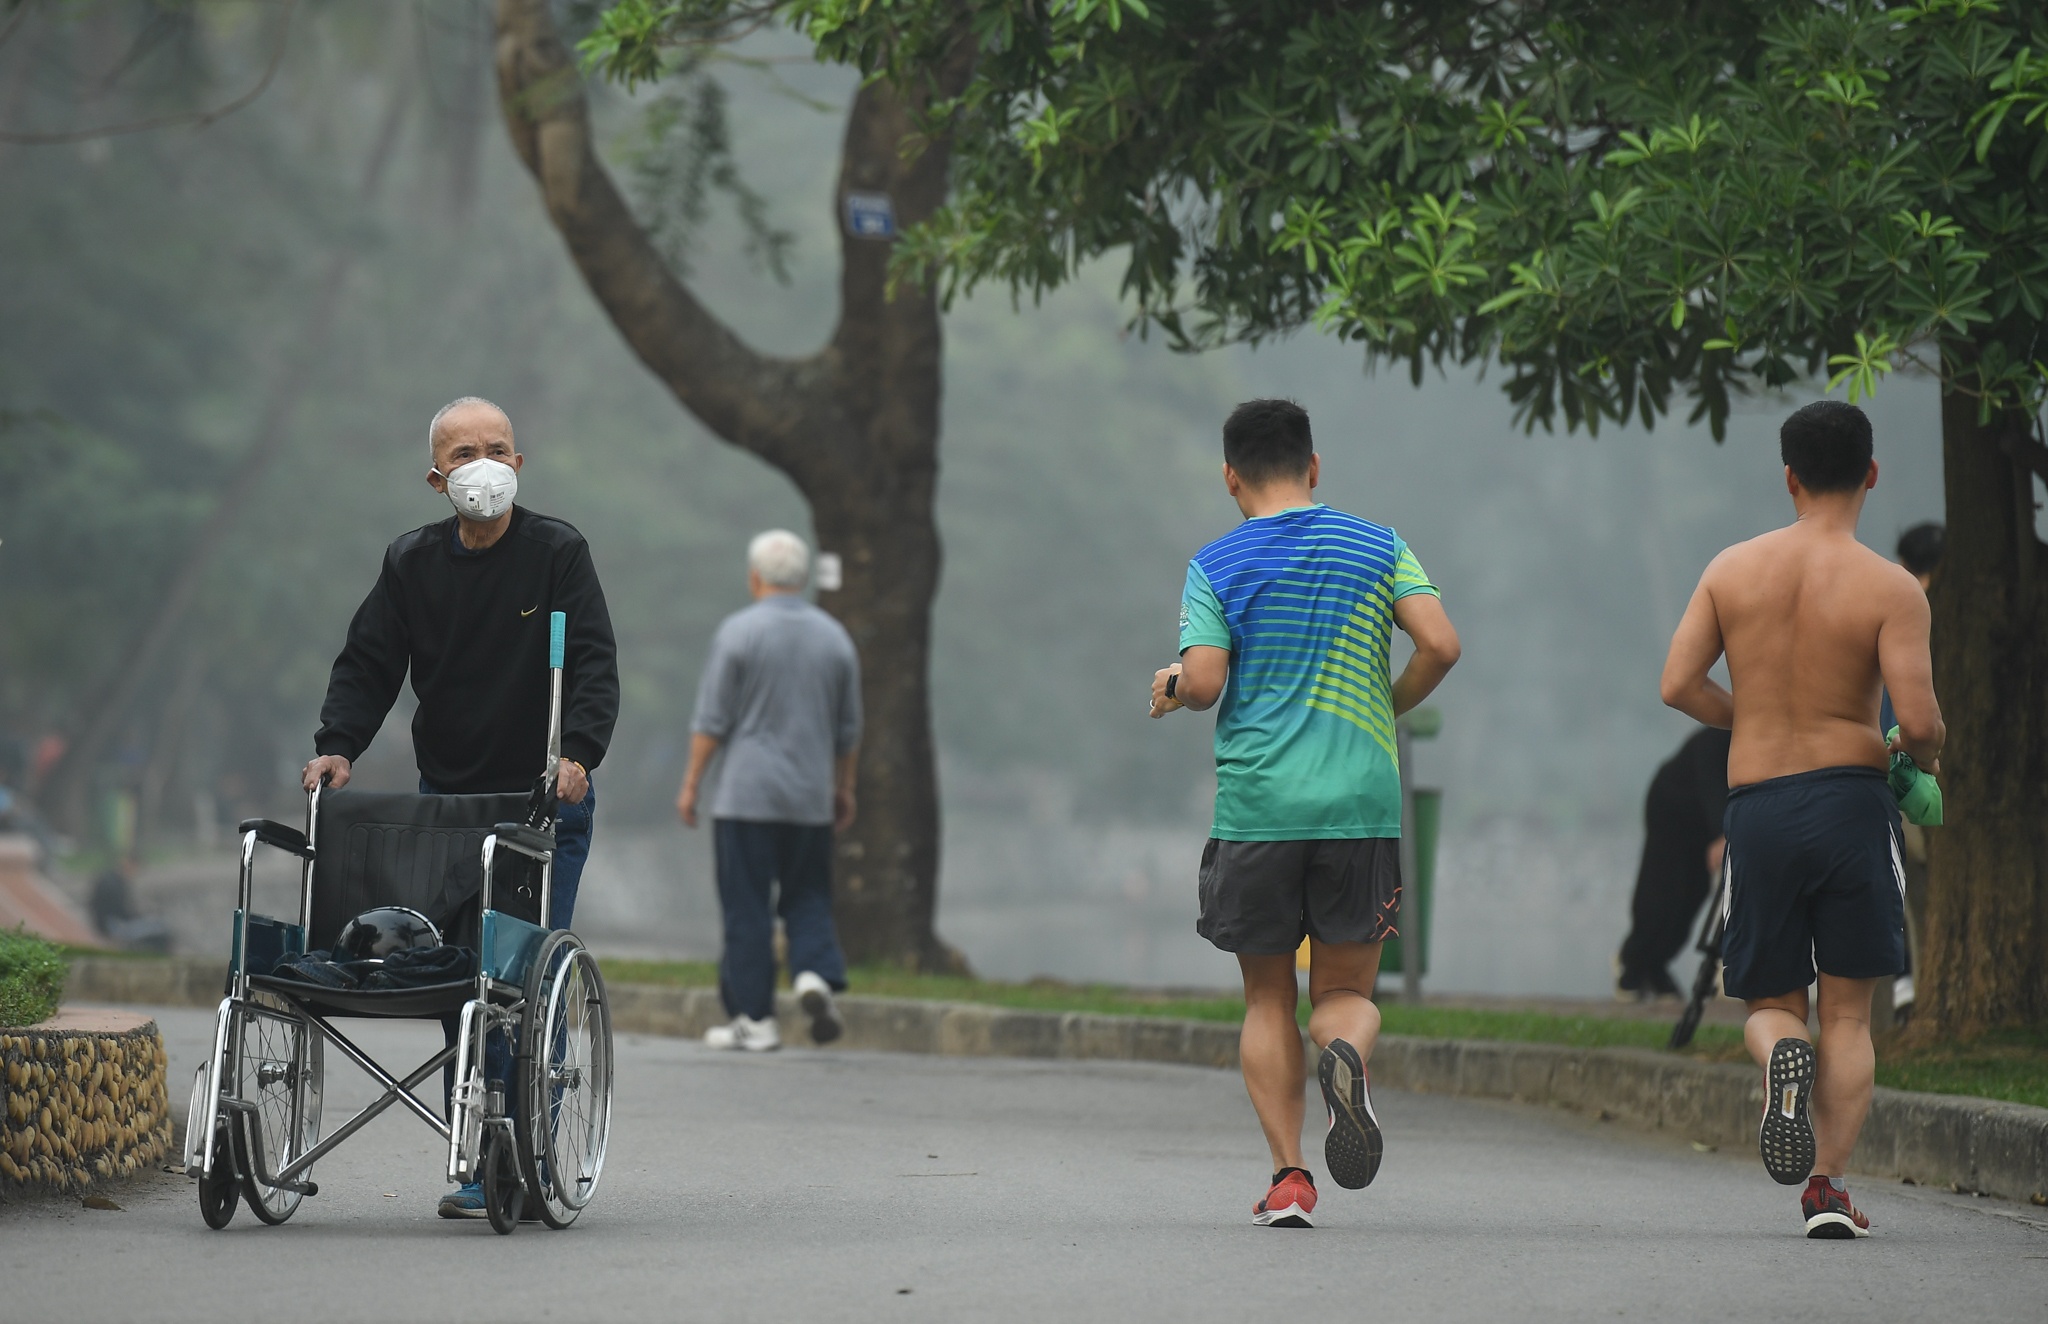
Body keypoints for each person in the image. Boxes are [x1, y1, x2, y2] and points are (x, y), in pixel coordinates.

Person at [302, 396, 619, 1219]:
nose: (483, 463)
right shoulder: (412, 564)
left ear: (518, 464)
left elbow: (591, 660)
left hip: (542, 803)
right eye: (465, 451)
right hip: (450, 805)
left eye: (498, 448)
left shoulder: (557, 553)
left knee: (518, 978)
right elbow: (370, 661)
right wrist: (338, 743)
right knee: (462, 984)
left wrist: (580, 752)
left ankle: (525, 1146)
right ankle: (480, 1149)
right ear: (438, 477)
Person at [1149, 399, 1460, 1229]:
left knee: (1264, 998)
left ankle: (1289, 1178)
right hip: (1359, 804)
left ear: (1230, 478)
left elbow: (1207, 682)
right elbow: (1442, 644)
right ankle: (1348, 1052)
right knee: (1347, 992)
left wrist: (1174, 685)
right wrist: (1386, 705)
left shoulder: (1216, 564)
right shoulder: (1379, 544)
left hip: (1260, 810)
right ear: (1313, 467)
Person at [1660, 399, 1942, 1239]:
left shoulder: (1731, 570)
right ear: (1871, 474)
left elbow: (1676, 684)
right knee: (1850, 1015)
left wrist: (1752, 717)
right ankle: (1826, 1189)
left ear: (1788, 477)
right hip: (1853, 805)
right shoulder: (1892, 588)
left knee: (1770, 1004)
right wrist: (1908, 754)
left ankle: (1780, 1059)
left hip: (1761, 806)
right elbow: (1922, 726)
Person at [678, 530, 860, 1053]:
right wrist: (843, 788)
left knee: (747, 906)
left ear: (755, 576)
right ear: (799, 579)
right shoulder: (835, 638)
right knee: (808, 897)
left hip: (746, 799)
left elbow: (711, 721)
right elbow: (849, 730)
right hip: (809, 799)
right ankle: (813, 974)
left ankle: (755, 1018)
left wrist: (691, 784)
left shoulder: (738, 633)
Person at [1614, 725, 1732, 1000]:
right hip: (1674, 812)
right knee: (1663, 891)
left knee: (1693, 896)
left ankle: (1655, 966)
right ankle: (1632, 963)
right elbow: (1710, 781)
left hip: (1708, 823)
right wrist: (1722, 832)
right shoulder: (1720, 734)